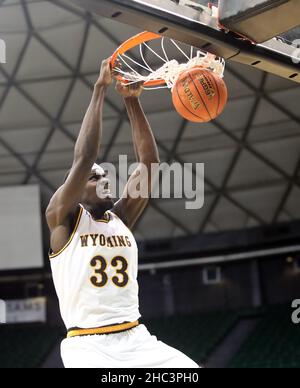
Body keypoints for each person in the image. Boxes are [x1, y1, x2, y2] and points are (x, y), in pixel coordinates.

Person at [46, 58, 199, 368]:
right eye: (94, 177)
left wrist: (132, 102)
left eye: (105, 175)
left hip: (136, 338)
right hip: (88, 346)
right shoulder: (62, 219)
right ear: (74, 186)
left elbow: (149, 163)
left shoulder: (122, 217)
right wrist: (100, 89)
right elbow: (86, 155)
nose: (104, 179)